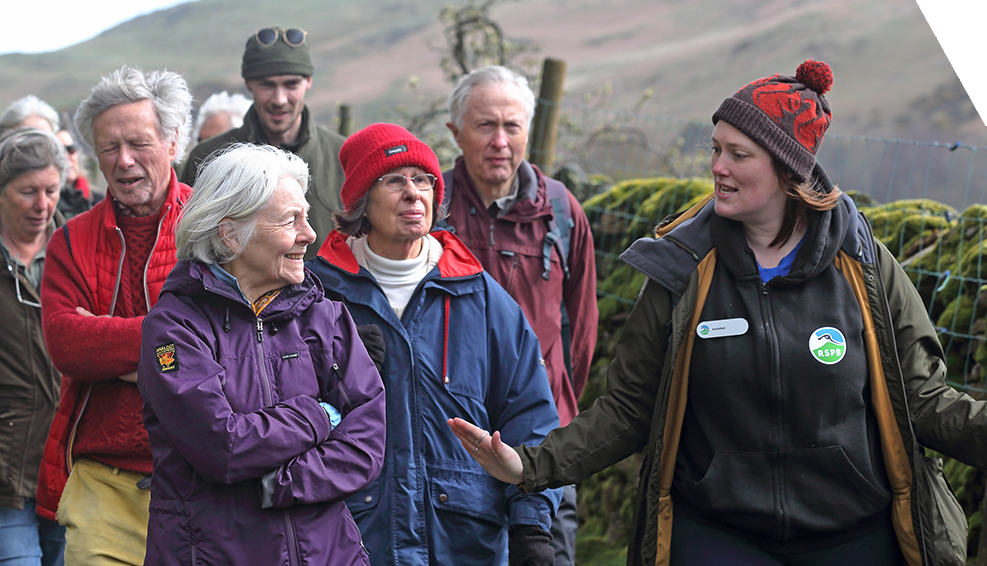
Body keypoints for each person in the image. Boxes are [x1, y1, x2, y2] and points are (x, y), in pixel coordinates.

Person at [452, 60, 987, 566]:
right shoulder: (683, 267)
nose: (717, 167)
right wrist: (528, 464)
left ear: (787, 170)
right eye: (716, 150)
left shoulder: (864, 267)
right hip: (717, 529)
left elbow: (923, 401)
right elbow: (629, 408)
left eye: (738, 154)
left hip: (854, 528)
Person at [307, 123, 562, 566]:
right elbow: (280, 412)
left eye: (422, 179)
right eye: (393, 180)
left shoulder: (480, 297)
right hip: (353, 539)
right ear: (360, 202)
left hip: (466, 545)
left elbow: (531, 417)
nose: (413, 193)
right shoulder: (317, 295)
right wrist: (336, 375)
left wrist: (531, 524)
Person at [137, 144, 386, 565]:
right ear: (230, 233)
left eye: (306, 217)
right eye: (291, 220)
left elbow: (367, 442)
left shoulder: (324, 317)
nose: (309, 235)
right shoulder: (175, 327)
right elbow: (224, 447)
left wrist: (284, 482)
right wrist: (320, 415)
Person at [36, 66, 193, 566]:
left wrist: (113, 347)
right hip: (102, 481)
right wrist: (170, 344)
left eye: (138, 143)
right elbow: (65, 343)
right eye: (109, 148)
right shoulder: (70, 241)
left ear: (172, 142)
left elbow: (229, 344)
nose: (124, 161)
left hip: (203, 482)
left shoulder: (216, 227)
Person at [443, 65, 598, 565]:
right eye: (485, 125)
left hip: (543, 442)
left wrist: (556, 407)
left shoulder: (561, 210)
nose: (500, 141)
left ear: (528, 132)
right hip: (451, 440)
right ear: (455, 132)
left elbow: (582, 326)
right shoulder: (429, 208)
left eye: (512, 126)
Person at [180, 26, 345, 259]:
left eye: (291, 84)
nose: (279, 99)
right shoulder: (208, 157)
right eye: (267, 85)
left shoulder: (343, 156)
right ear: (249, 85)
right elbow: (190, 249)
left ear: (308, 82)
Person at [0, 129, 68, 566]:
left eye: (52, 190)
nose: (43, 205)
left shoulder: (75, 251)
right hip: (6, 461)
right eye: (28, 191)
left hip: (69, 458)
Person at [54, 128, 96, 220]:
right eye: (59, 152)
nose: (66, 157)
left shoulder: (97, 200)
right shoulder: (49, 206)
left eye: (70, 149)